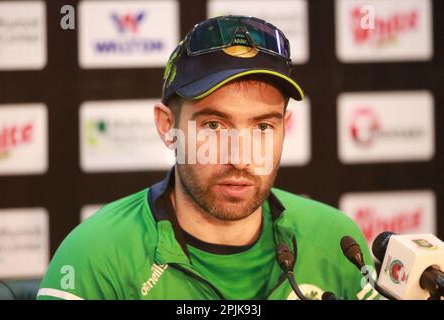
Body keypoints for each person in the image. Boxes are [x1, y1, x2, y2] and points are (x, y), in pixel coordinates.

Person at [37, 15, 377, 300]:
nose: (241, 157)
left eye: (262, 127)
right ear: (167, 125)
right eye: (214, 125)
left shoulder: (338, 241)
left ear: (285, 128)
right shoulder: (94, 255)